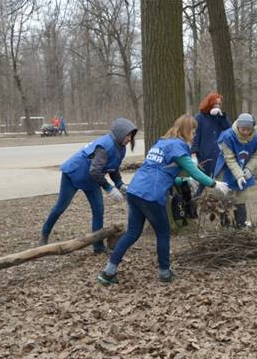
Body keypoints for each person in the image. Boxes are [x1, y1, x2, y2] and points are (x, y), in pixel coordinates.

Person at [97, 114, 230, 285]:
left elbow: (160, 171)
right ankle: (165, 273)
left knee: (132, 233)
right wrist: (213, 184)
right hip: (151, 196)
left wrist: (182, 181)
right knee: (163, 233)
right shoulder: (179, 148)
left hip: (135, 191)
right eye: (194, 131)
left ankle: (108, 272)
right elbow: (194, 171)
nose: (195, 134)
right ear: (186, 130)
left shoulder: (162, 143)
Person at [40, 117, 137, 253]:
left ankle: (98, 246)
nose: (129, 139)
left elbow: (113, 168)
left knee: (98, 210)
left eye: (131, 136)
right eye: (128, 136)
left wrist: (120, 185)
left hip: (91, 179)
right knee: (61, 207)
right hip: (74, 173)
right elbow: (95, 171)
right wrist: (109, 188)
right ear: (120, 133)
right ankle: (44, 234)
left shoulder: (121, 148)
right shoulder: (105, 146)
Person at [214, 113, 257, 227]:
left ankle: (240, 225)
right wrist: (238, 175)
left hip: (244, 169)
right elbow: (230, 159)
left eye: (249, 130)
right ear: (238, 127)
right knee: (226, 198)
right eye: (243, 129)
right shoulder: (227, 137)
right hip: (226, 170)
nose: (246, 132)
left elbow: (255, 155)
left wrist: (249, 169)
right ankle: (225, 225)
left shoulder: (256, 138)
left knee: (241, 197)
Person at [191, 92, 232, 183]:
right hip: (204, 154)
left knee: (218, 178)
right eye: (215, 104)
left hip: (218, 153)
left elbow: (229, 130)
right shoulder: (199, 117)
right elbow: (195, 136)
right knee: (203, 178)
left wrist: (222, 117)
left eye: (219, 104)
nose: (217, 106)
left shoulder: (220, 117)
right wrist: (194, 153)